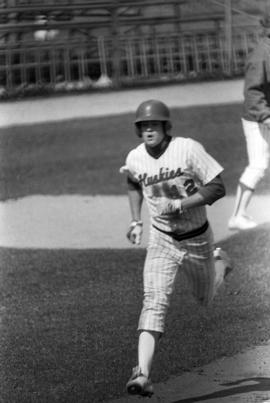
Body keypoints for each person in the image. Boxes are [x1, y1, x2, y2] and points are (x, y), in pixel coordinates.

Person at [120, 99, 232, 397]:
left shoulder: (187, 149)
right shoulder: (135, 158)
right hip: (162, 240)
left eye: (153, 124)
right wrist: (136, 221)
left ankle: (220, 261)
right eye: (143, 126)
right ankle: (142, 373)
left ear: (166, 127)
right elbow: (133, 182)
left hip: (197, 239)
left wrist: (181, 203)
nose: (148, 130)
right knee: (154, 302)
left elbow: (218, 187)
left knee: (205, 297)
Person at [228, 15, 270, 231]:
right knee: (258, 165)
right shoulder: (261, 54)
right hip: (257, 119)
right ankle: (237, 215)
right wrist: (265, 116)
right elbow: (252, 91)